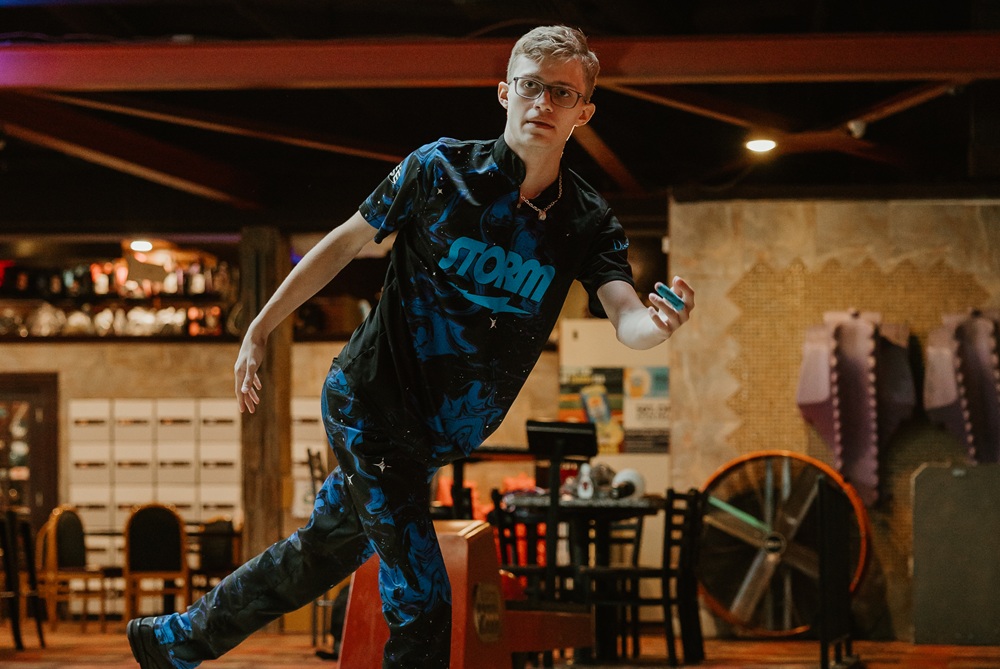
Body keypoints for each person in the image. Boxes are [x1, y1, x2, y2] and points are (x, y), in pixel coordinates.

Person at [126, 24, 694, 669]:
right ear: (504, 92)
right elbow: (344, 242)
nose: (543, 102)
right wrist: (259, 327)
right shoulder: (439, 170)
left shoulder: (587, 220)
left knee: (323, 553)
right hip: (370, 401)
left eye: (561, 93)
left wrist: (658, 326)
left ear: (583, 112)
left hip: (436, 434)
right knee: (422, 601)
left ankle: (171, 640)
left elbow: (624, 314)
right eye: (531, 86)